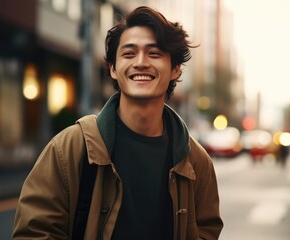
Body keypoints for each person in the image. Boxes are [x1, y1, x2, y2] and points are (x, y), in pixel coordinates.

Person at [12, 6, 223, 240]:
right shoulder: (69, 149)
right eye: (129, 53)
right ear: (113, 68)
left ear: (175, 69)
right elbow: (33, 233)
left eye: (154, 53)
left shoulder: (196, 160)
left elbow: (207, 231)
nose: (140, 62)